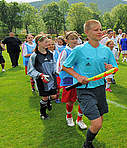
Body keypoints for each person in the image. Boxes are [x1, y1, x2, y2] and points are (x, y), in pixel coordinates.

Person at [62, 20, 117, 148]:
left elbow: (114, 67)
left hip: (100, 88)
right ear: (87, 32)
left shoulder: (106, 50)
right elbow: (65, 66)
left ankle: (88, 142)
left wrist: (110, 68)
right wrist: (78, 76)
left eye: (100, 29)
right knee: (96, 123)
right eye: (96, 30)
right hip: (84, 90)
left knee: (100, 122)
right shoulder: (79, 50)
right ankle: (87, 145)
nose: (100, 32)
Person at [56, 31, 87, 129]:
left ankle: (80, 119)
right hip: (69, 79)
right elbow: (61, 65)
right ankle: (69, 116)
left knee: (82, 99)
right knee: (70, 100)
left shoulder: (81, 50)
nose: (74, 40)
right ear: (67, 41)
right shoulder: (65, 51)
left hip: (80, 78)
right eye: (72, 39)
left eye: (76, 38)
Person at [27, 34, 58, 120]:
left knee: (53, 96)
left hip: (52, 79)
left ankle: (48, 102)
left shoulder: (50, 53)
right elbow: (30, 70)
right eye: (46, 42)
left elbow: (54, 64)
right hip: (42, 81)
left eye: (48, 42)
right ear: (39, 43)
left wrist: (56, 71)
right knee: (44, 97)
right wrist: (40, 75)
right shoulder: (34, 56)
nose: (48, 44)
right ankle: (43, 113)